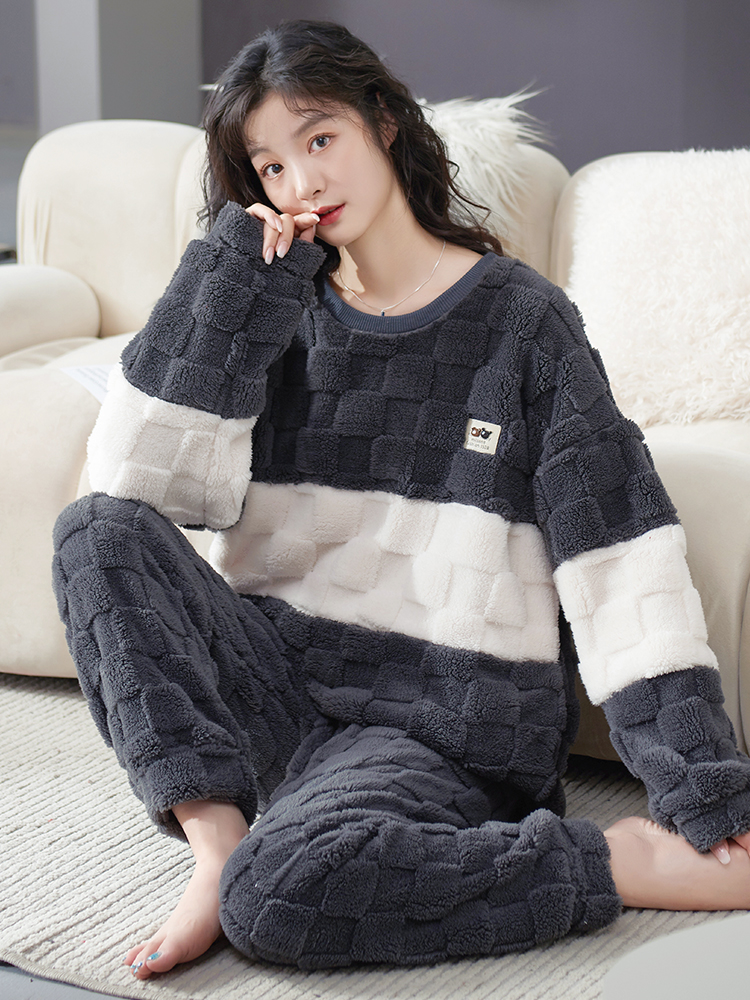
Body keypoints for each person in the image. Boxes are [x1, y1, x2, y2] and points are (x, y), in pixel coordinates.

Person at [52, 19, 750, 980]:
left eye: (320, 138)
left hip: (442, 721)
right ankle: (217, 846)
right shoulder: (271, 306)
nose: (302, 183)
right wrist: (229, 285)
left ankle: (612, 861)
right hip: (279, 682)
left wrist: (702, 788)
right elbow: (135, 491)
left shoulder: (523, 323)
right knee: (92, 531)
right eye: (272, 166)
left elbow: (618, 557)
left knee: (282, 897)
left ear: (384, 121)